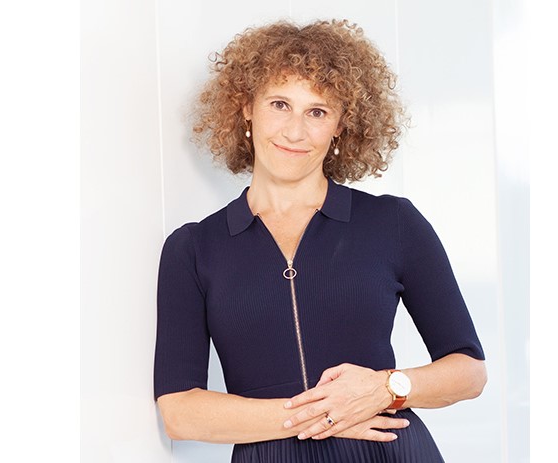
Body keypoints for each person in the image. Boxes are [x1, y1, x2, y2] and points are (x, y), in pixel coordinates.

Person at [153, 19, 487, 462]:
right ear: (245, 107)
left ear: (341, 125)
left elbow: (468, 372)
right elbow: (180, 412)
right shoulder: (193, 249)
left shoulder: (393, 222)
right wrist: (322, 415)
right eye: (279, 104)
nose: (295, 131)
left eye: (317, 111)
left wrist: (385, 388)